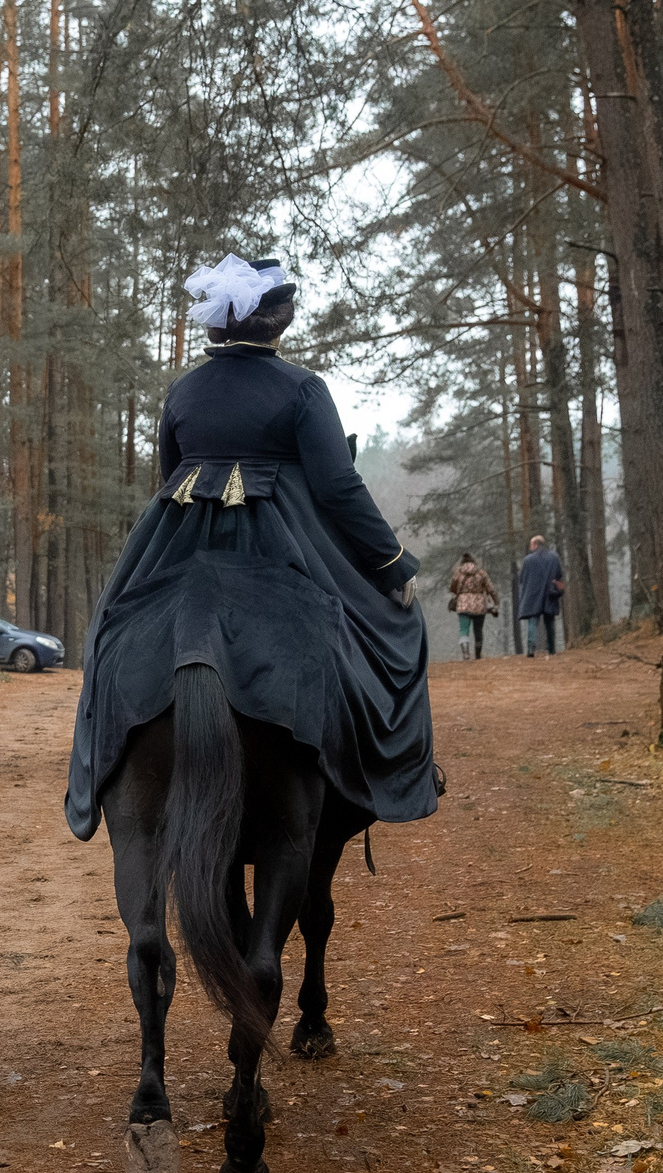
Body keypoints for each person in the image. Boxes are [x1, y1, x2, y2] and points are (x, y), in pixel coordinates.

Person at [64, 254, 437, 838]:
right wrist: (391, 563)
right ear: (278, 322)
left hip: (181, 539)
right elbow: (338, 487)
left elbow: (169, 475)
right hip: (281, 543)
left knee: (109, 635)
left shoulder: (182, 392)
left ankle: (94, 773)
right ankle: (387, 775)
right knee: (384, 633)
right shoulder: (303, 389)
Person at [515, 534, 564, 656]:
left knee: (533, 621)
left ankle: (531, 649)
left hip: (533, 594)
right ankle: (552, 649)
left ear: (536, 544)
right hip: (549, 592)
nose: (530, 547)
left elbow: (522, 579)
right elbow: (559, 574)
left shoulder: (528, 560)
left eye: (531, 544)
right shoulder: (554, 557)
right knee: (549, 621)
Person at [448, 552, 498, 660]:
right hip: (479, 605)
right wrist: (496, 602)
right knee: (478, 630)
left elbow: (452, 588)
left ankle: (465, 653)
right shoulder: (481, 572)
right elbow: (491, 589)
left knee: (463, 630)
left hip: (463, 604)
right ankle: (478, 654)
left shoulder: (458, 573)